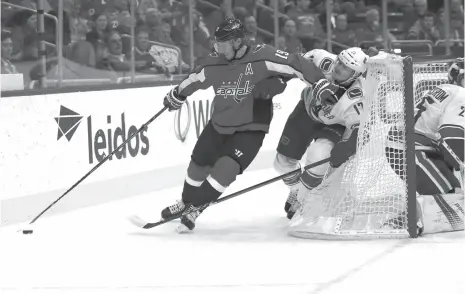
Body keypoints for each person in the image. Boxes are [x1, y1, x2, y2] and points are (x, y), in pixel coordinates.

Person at [159, 18, 345, 232]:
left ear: (237, 42)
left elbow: (296, 63)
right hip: (219, 123)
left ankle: (195, 209)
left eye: (222, 43)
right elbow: (194, 78)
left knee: (226, 169)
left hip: (251, 127)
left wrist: (319, 82)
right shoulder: (215, 61)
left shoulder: (263, 55)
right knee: (197, 164)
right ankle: (185, 203)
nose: (217, 47)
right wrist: (178, 94)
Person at [273, 47, 369, 219]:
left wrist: (346, 148)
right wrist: (280, 78)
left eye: (345, 67)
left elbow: (358, 131)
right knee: (282, 163)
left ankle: (302, 200)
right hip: (307, 111)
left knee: (318, 155)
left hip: (336, 124)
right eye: (339, 61)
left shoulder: (355, 97)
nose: (338, 67)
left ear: (355, 75)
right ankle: (297, 191)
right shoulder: (322, 60)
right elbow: (293, 62)